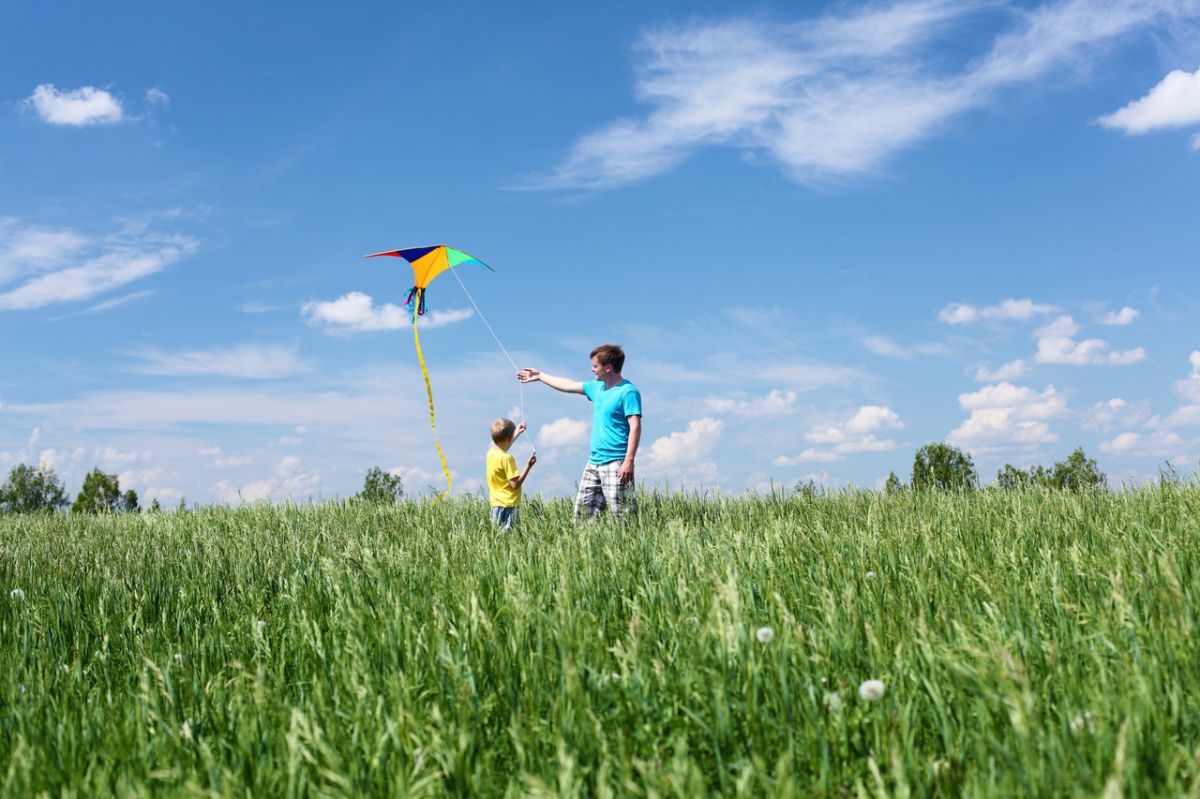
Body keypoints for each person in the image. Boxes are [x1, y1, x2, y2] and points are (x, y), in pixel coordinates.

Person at [517, 344, 641, 521]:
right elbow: (568, 385)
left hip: (616, 463)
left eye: (595, 366)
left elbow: (635, 426)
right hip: (593, 463)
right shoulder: (598, 388)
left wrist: (628, 461)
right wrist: (540, 376)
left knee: (624, 518)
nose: (592, 370)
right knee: (582, 517)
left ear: (608, 367)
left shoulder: (628, 391)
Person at [486, 418, 536, 531]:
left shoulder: (491, 453)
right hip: (508, 507)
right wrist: (529, 466)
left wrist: (516, 432)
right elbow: (515, 484)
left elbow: (503, 445)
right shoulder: (507, 459)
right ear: (509, 439)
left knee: (498, 540)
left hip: (495, 505)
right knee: (510, 540)